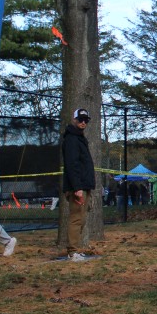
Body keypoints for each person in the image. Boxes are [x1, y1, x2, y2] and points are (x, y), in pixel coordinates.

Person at [61, 108, 95, 262]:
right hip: (77, 186)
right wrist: (77, 188)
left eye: (85, 120)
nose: (83, 122)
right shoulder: (71, 139)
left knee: (81, 219)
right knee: (76, 218)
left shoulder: (79, 138)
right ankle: (72, 252)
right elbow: (72, 164)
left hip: (84, 184)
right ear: (74, 119)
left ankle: (75, 249)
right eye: (80, 119)